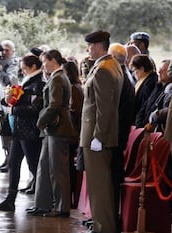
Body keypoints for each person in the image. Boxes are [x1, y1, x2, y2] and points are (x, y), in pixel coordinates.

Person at [79, 30, 123, 233]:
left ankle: (103, 228)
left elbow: (104, 108)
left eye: (90, 46)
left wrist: (98, 135)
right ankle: (102, 225)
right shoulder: (109, 64)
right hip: (101, 135)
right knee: (100, 187)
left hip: (98, 137)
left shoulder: (104, 69)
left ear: (97, 45)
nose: (88, 49)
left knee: (99, 188)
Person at [26, 50, 75, 218]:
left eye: (45, 61)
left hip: (58, 128)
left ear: (53, 60)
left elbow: (54, 105)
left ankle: (62, 207)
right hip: (53, 128)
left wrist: (41, 120)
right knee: (45, 166)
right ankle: (42, 204)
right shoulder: (57, 77)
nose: (43, 65)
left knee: (57, 169)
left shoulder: (58, 78)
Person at [0, 54, 45, 211]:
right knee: (13, 163)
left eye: (24, 67)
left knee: (34, 166)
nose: (22, 70)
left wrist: (12, 108)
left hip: (29, 131)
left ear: (33, 66)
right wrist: (8, 100)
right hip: (20, 130)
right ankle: (10, 199)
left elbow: (34, 108)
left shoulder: (38, 83)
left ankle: (44, 201)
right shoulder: (29, 80)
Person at [108, 42, 135, 232]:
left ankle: (112, 219)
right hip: (118, 135)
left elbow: (116, 111)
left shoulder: (122, 78)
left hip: (116, 136)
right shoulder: (123, 76)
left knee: (112, 180)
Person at [0, 39, 20, 173]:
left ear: (13, 51)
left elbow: (8, 81)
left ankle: (11, 161)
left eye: (7, 50)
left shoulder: (14, 63)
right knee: (4, 134)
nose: (4, 52)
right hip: (0, 102)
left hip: (10, 104)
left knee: (10, 134)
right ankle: (6, 158)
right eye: (2, 49)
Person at [63, 59, 84, 209]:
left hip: (72, 133)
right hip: (72, 132)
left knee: (69, 166)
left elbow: (75, 111)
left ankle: (69, 198)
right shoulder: (75, 87)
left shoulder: (74, 88)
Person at [130, 54, 158, 128]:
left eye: (134, 70)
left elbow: (144, 105)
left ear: (142, 69)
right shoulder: (145, 79)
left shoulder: (150, 83)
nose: (133, 74)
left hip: (141, 123)